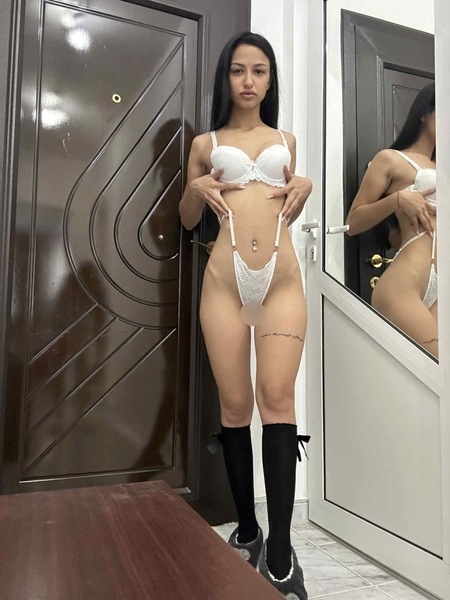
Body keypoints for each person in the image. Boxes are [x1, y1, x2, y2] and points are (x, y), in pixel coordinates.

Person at [179, 31, 312, 599]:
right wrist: (196, 187)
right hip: (224, 284)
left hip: (281, 281)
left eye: (260, 70)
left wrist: (305, 184)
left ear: (270, 79)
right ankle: (249, 529)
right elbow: (188, 220)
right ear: (225, 78)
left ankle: (280, 552)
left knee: (276, 398)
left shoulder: (286, 140)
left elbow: (290, 206)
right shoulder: (206, 143)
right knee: (235, 407)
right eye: (238, 70)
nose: (249, 81)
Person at [346, 82, 437, 358]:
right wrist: (398, 200)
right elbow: (353, 223)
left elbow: (397, 236)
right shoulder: (390, 160)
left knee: (431, 381)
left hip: (440, 284)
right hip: (405, 284)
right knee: (440, 366)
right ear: (425, 113)